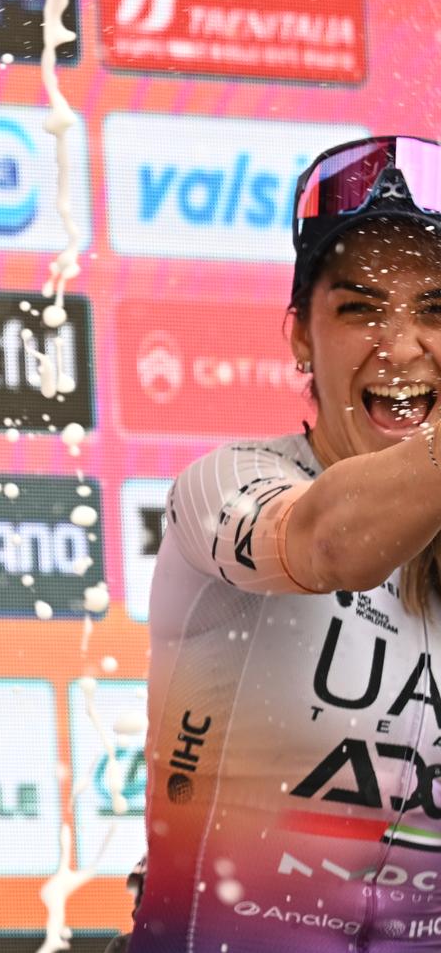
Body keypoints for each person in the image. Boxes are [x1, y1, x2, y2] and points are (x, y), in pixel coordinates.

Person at [124, 135, 441, 951]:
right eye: (362, 307)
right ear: (300, 335)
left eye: (436, 309)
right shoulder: (225, 484)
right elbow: (330, 542)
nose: (401, 346)